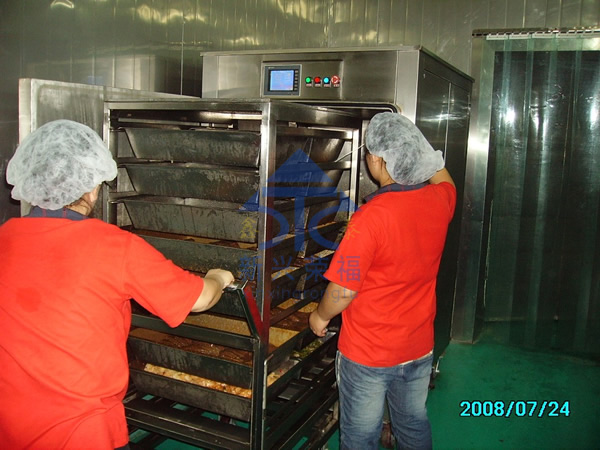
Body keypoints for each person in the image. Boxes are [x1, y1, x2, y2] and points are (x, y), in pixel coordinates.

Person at [0, 120, 235, 450]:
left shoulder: (5, 237)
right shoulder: (112, 246)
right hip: (82, 433)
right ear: (92, 188)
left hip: (10, 426)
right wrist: (219, 277)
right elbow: (199, 299)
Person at [309, 112, 456, 449]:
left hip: (368, 353)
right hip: (417, 347)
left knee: (361, 436)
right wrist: (417, 148)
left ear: (375, 159)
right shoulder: (440, 201)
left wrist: (320, 316)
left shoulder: (371, 218)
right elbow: (445, 178)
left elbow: (344, 288)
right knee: (413, 424)